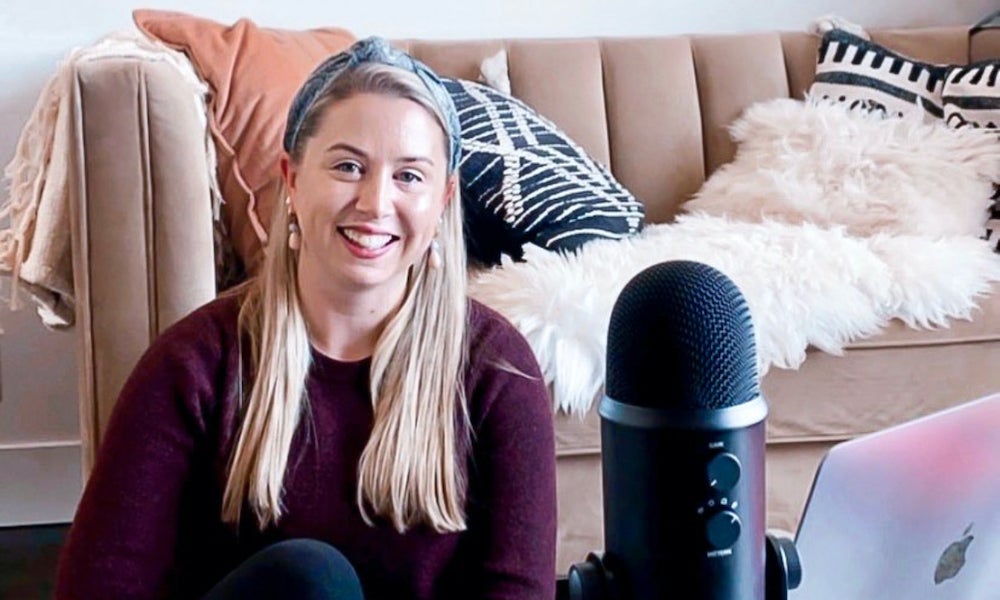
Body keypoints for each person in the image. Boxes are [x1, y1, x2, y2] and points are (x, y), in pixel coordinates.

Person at [55, 37, 557, 600]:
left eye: (409, 176)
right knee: (309, 580)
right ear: (292, 180)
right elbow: (100, 584)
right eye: (348, 166)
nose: (375, 202)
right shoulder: (195, 363)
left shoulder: (497, 370)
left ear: (442, 202)